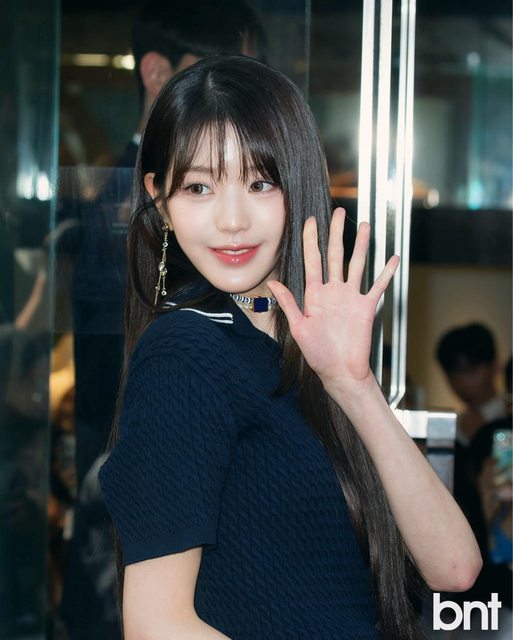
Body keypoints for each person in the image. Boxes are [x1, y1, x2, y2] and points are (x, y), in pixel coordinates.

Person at [98, 55, 482, 640]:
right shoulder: (184, 355)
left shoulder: (311, 349)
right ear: (161, 201)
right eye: (199, 187)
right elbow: (156, 624)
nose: (232, 220)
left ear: (297, 183)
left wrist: (355, 385)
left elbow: (454, 568)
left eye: (260, 183)